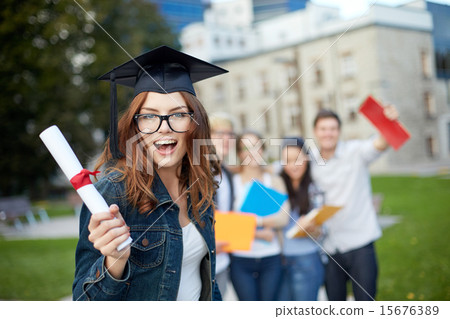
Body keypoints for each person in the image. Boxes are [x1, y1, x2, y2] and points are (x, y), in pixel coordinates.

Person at [72, 46, 228, 301]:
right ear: (135, 125)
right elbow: (84, 301)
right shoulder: (113, 193)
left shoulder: (200, 185)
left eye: (178, 114)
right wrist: (115, 261)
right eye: (149, 116)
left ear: (195, 122)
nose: (163, 128)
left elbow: (205, 279)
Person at [310, 106, 399, 301]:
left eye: (332, 128)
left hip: (361, 243)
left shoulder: (356, 151)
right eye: (323, 129)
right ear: (315, 132)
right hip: (330, 247)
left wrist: (388, 122)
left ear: (339, 131)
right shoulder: (310, 161)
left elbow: (381, 144)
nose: (328, 133)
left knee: (365, 303)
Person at [229, 131, 289, 301]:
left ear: (263, 150)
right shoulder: (232, 182)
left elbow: (283, 218)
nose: (252, 152)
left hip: (272, 257)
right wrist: (260, 231)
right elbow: (225, 223)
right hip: (240, 260)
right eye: (246, 148)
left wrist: (250, 222)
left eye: (256, 147)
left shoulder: (274, 181)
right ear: (240, 153)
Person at [278, 137, 324, 301]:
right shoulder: (278, 184)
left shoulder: (314, 189)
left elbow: (322, 233)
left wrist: (311, 229)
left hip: (306, 260)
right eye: (287, 161)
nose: (293, 165)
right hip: (279, 261)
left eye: (297, 159)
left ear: (306, 157)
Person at [209, 112, 236, 297]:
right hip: (205, 263)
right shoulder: (199, 173)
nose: (226, 139)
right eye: (219, 134)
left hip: (224, 261)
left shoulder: (227, 174)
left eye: (230, 134)